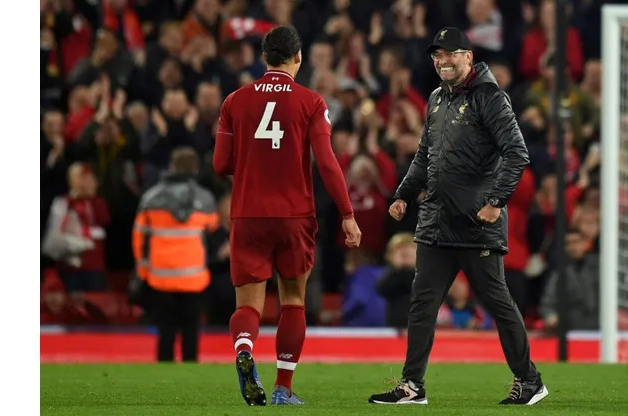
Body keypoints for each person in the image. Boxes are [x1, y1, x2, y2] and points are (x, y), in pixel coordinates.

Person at [368, 27, 548, 406]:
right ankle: (412, 385)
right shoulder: (436, 98)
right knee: (422, 304)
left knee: (497, 303)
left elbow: (517, 152)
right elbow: (425, 155)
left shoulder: (490, 97)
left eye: (450, 54)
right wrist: (403, 194)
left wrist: (495, 202)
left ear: (468, 57)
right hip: (436, 221)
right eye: (437, 55)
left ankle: (529, 380)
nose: (442, 61)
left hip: (475, 223)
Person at [213, 25, 362, 407]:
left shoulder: (235, 101)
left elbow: (220, 164)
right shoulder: (311, 101)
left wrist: (254, 161)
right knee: (293, 299)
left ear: (265, 57)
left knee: (248, 304)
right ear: (298, 57)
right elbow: (326, 163)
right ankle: (283, 388)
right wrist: (347, 213)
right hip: (294, 215)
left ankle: (244, 348)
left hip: (248, 214)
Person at [132, 147, 218, 363]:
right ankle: (190, 372)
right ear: (195, 168)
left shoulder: (151, 198)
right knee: (191, 333)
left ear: (171, 166)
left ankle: (164, 374)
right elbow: (213, 230)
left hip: (160, 278)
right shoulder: (205, 198)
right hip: (195, 279)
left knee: (165, 333)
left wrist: (143, 271)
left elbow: (139, 239)